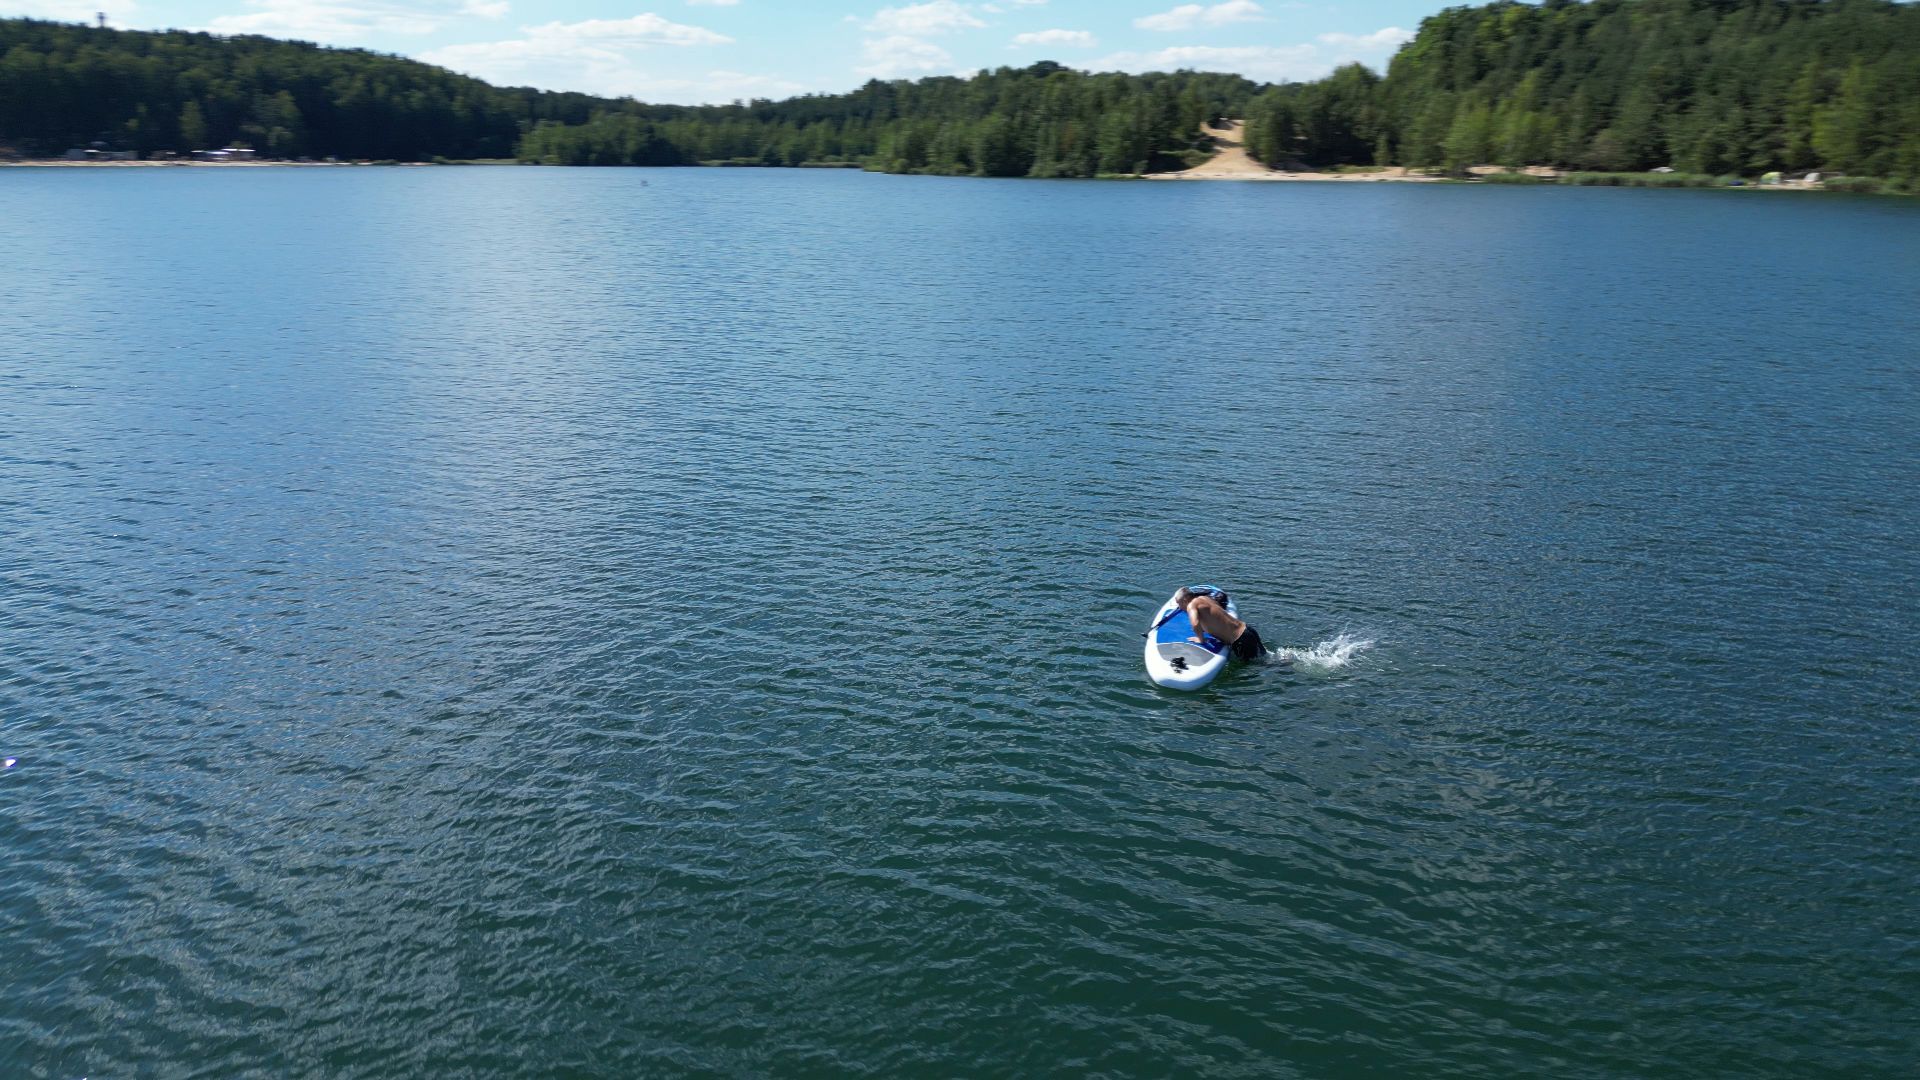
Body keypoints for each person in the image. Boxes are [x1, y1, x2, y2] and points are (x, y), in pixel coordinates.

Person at [1174, 586, 1265, 662]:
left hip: (1240, 640)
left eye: (1179, 603)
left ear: (1185, 599)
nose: (1179, 607)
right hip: (1248, 630)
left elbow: (1195, 623)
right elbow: (1216, 617)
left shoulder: (1191, 605)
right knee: (1267, 658)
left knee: (1261, 665)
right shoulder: (1205, 599)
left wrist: (1200, 639)